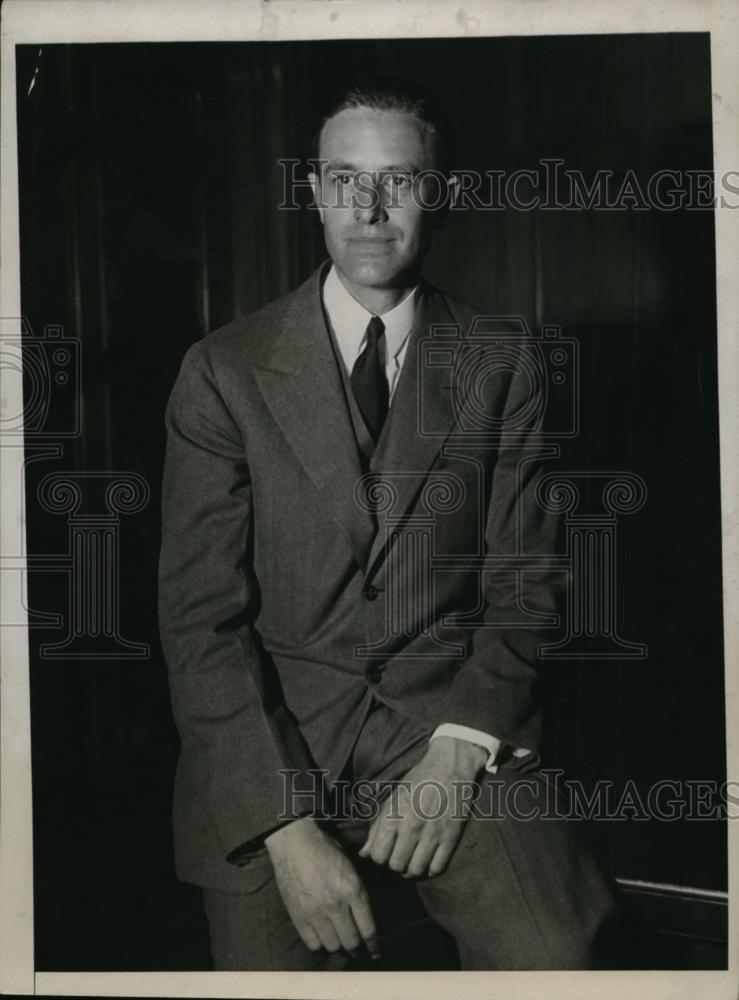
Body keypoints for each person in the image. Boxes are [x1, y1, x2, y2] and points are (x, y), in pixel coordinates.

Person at [158, 74, 613, 971]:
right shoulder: (223, 371)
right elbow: (199, 624)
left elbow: (527, 587)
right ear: (316, 193)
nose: (369, 208)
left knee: (558, 954)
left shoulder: (504, 361)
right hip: (274, 746)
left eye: (398, 180)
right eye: (343, 179)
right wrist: (285, 828)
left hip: (446, 725)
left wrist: (455, 757)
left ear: (435, 195)